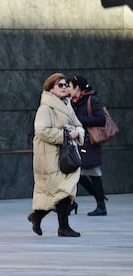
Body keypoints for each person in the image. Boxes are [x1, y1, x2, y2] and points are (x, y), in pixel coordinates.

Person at [28, 73, 85, 237]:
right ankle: (61, 227)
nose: (64, 87)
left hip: (64, 153)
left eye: (66, 84)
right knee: (61, 191)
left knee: (63, 191)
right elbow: (41, 130)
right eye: (60, 85)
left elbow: (77, 124)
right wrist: (65, 135)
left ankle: (38, 217)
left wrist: (77, 132)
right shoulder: (45, 107)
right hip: (49, 156)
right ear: (50, 88)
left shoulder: (66, 104)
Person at [68, 75, 107, 216]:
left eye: (70, 86)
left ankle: (101, 205)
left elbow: (101, 119)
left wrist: (79, 120)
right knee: (74, 173)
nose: (67, 89)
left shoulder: (91, 100)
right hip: (80, 142)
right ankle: (71, 204)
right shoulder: (74, 102)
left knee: (93, 173)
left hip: (90, 143)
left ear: (77, 88)